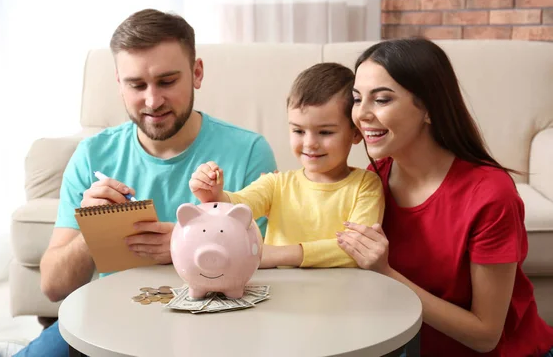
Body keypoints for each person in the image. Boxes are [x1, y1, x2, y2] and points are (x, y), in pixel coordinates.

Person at [0, 8, 277, 357]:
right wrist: (92, 234)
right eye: (137, 85)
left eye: (167, 81)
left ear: (196, 73)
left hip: (211, 326)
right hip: (105, 325)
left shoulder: (248, 152)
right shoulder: (93, 155)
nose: (152, 101)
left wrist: (184, 245)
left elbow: (266, 272)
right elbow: (52, 286)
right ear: (119, 84)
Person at [336, 37, 553, 356]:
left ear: (429, 109)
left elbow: (485, 335)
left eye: (381, 100)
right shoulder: (373, 182)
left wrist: (386, 273)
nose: (362, 115)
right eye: (357, 99)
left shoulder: (490, 195)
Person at [189, 63, 384, 269]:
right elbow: (239, 206)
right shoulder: (276, 184)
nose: (309, 143)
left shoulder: (366, 185)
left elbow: (359, 251)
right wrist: (214, 195)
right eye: (299, 131)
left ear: (356, 133)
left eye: (325, 132)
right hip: (280, 293)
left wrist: (280, 254)